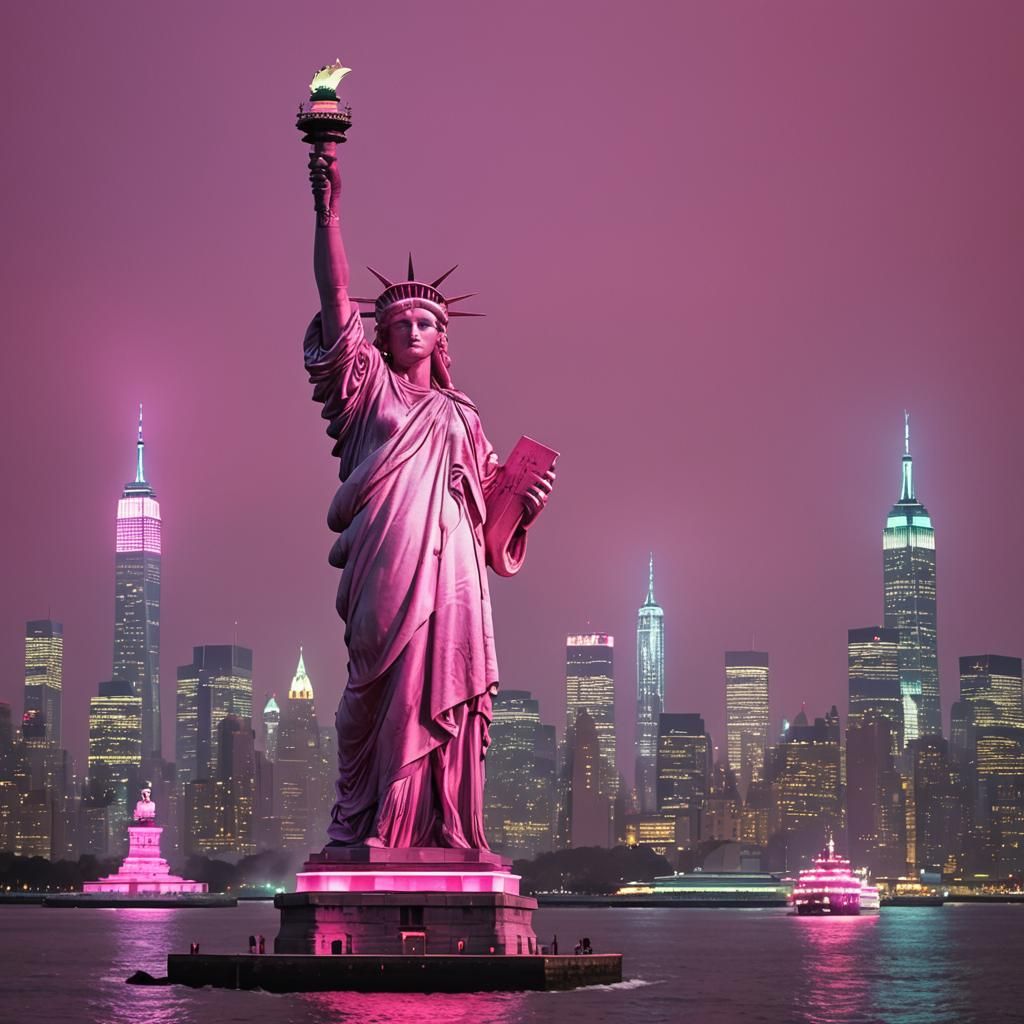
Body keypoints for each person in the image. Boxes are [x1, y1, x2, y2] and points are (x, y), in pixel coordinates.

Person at [302, 139, 554, 849]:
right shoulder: (364, 391)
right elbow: (332, 300)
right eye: (400, 323)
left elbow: (495, 524)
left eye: (426, 323)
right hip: (387, 561)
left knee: (446, 688)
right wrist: (329, 210)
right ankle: (374, 821)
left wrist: (525, 505)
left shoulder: (463, 415)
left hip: (455, 574)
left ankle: (441, 829)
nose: (412, 329)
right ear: (379, 337)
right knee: (384, 687)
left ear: (443, 338)